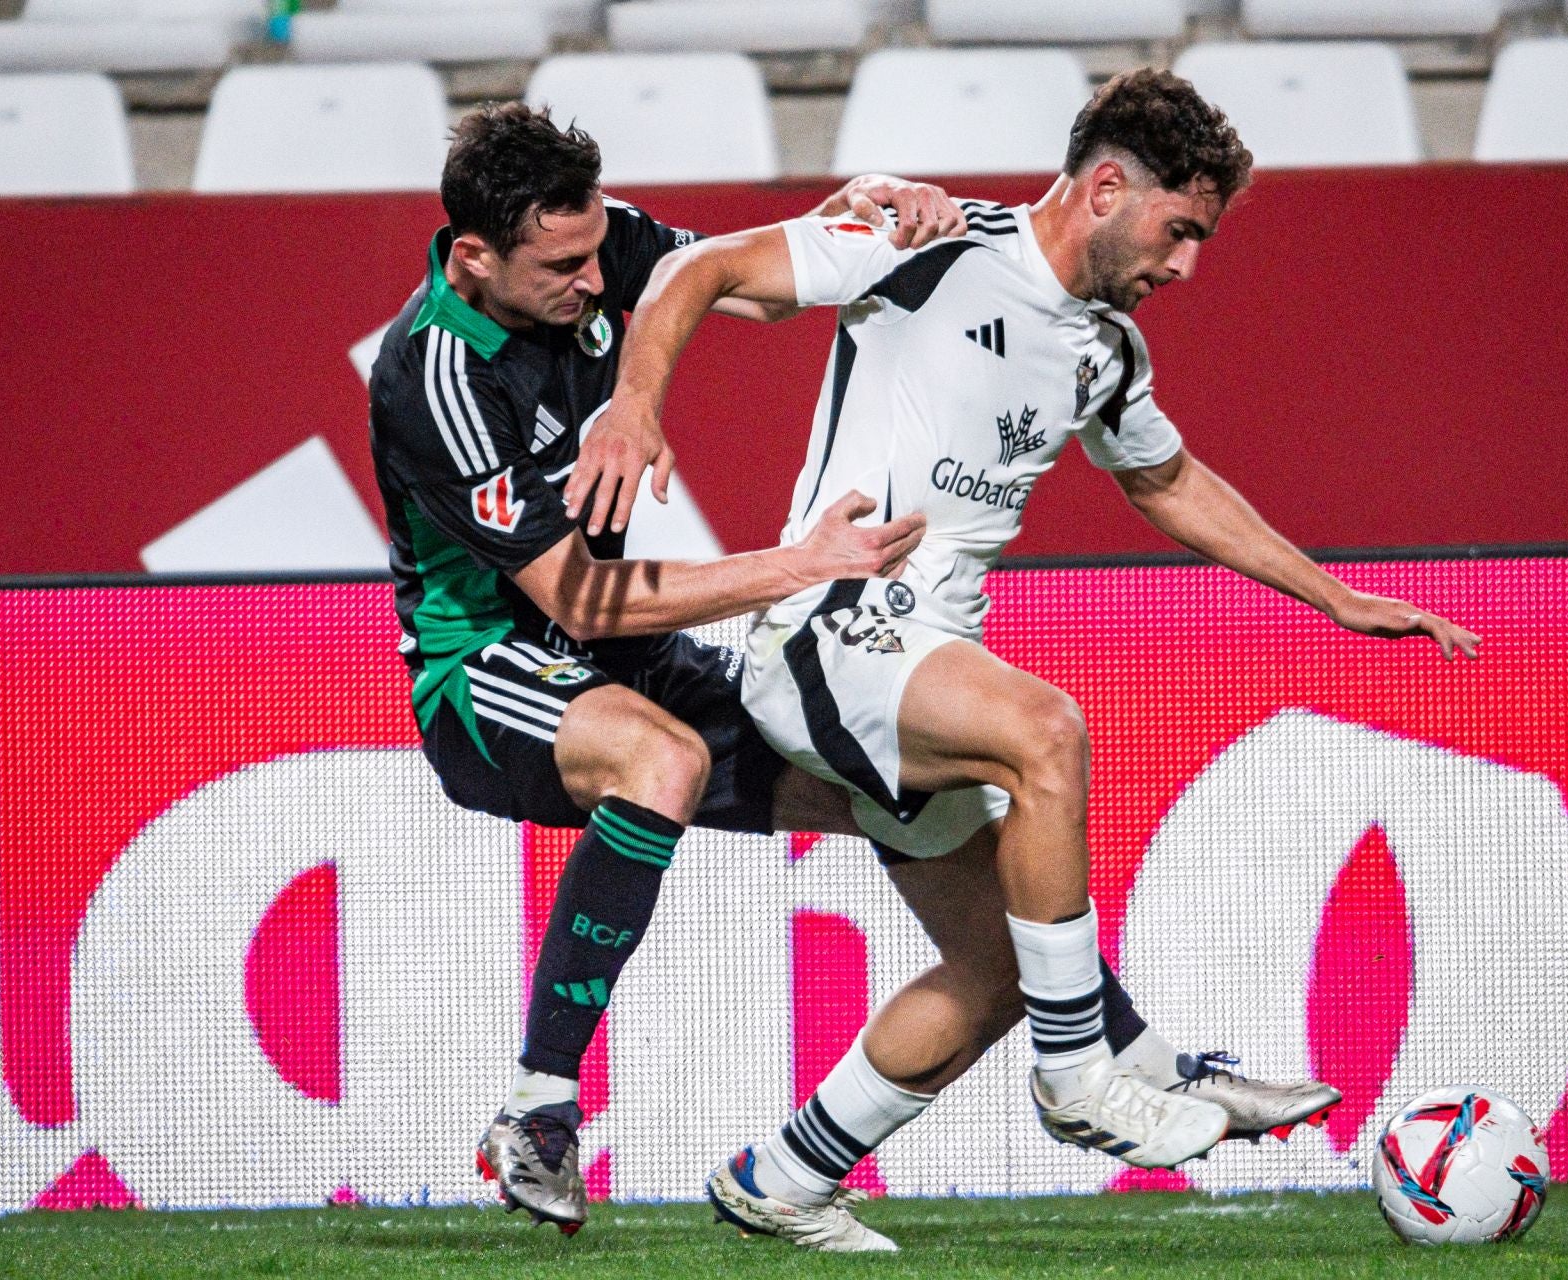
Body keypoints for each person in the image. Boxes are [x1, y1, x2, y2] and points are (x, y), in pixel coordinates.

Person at [592, 68, 1483, 1251]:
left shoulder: (1104, 351)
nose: (1187, 266)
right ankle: (1087, 1074)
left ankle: (787, 1175)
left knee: (998, 964)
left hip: (917, 659)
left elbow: (1163, 478)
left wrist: (1332, 595)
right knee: (1046, 732)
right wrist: (633, 404)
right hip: (823, 629)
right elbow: (697, 271)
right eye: (1181, 230)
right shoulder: (922, 240)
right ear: (1107, 188)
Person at [366, 100, 965, 1235]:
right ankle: (541, 1106)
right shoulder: (430, 377)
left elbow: (735, 277)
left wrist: (862, 213)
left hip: (616, 651)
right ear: (475, 255)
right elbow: (573, 596)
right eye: (564, 266)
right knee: (664, 756)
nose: (596, 284)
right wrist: (798, 565)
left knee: (894, 775)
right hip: (483, 671)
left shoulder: (591, 246)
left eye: (600, 253)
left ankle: (836, 1152)